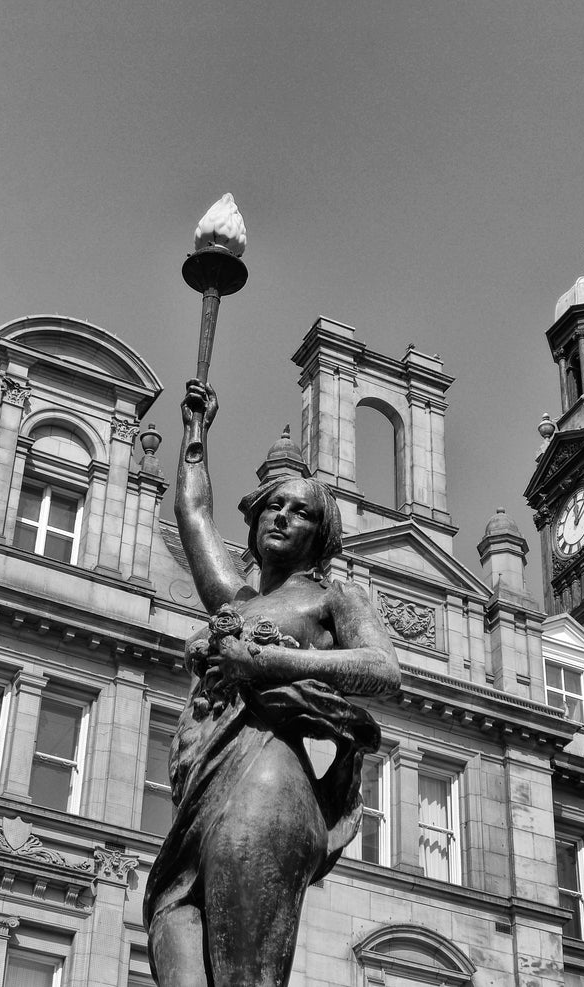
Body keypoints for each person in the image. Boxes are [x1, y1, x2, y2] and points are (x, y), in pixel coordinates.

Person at [144, 379, 401, 987]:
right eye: (272, 507)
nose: (282, 516)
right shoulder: (237, 599)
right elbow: (194, 514)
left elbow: (384, 669)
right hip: (202, 785)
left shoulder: (333, 598)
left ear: (322, 533)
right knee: (168, 922)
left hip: (266, 781)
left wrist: (276, 665)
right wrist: (196, 433)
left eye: (301, 511)